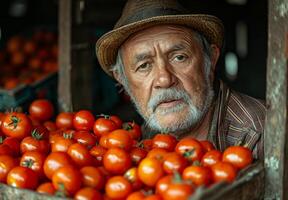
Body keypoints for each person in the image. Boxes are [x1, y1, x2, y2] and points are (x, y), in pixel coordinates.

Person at [95, 0, 266, 159]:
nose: (164, 79)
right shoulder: (135, 144)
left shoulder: (265, 135)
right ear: (123, 80)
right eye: (144, 66)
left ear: (211, 59)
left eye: (179, 57)